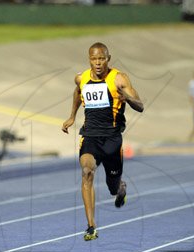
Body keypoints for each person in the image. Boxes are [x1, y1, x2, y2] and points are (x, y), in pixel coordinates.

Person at [62, 42, 144, 241]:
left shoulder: (118, 79)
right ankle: (91, 226)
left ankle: (120, 188)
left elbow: (140, 106)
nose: (97, 63)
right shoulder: (81, 78)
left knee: (112, 186)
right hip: (90, 136)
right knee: (87, 171)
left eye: (101, 59)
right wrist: (72, 116)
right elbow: (77, 93)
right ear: (89, 59)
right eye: (93, 59)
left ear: (108, 59)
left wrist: (126, 96)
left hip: (112, 139)